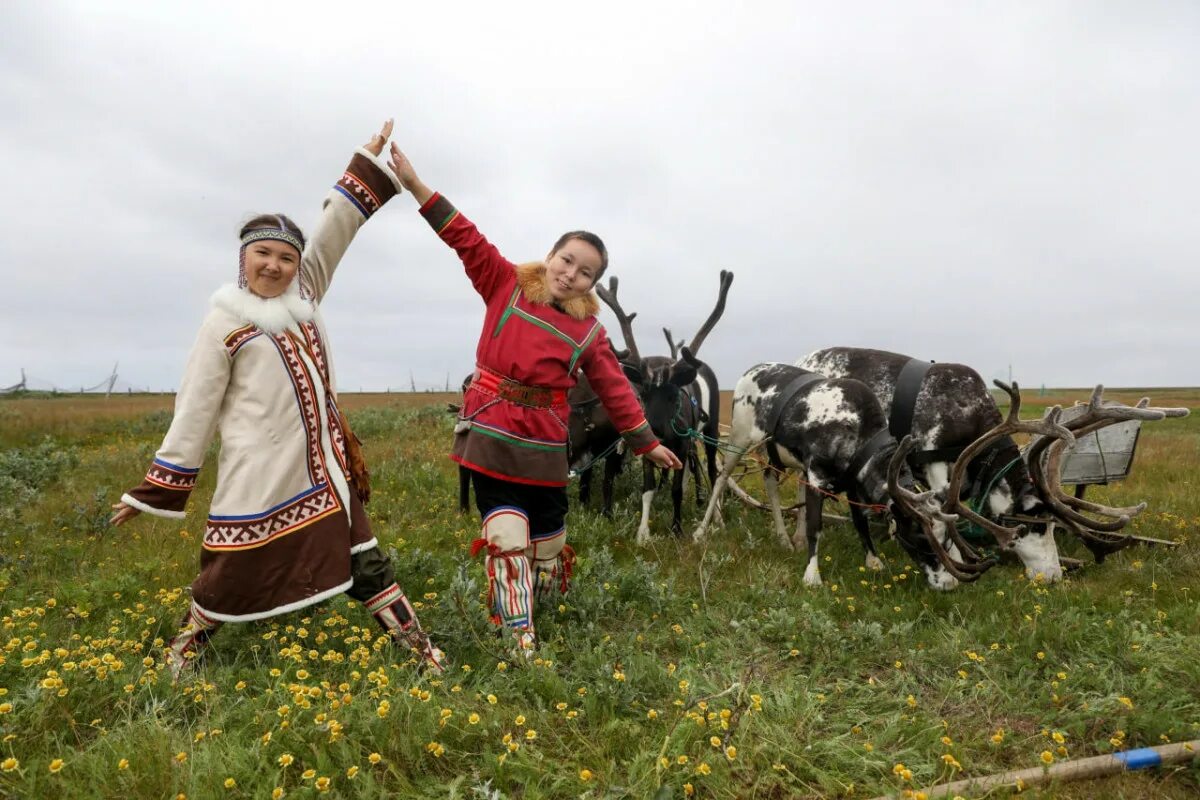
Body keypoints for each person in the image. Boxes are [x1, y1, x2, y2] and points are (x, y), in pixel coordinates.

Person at [110, 121, 445, 678]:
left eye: (285, 258)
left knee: (367, 561)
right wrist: (155, 488)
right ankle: (187, 647)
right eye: (262, 254)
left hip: (325, 473)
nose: (275, 266)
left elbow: (334, 230)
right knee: (232, 572)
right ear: (242, 260)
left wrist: (365, 157)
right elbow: (194, 409)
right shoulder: (223, 324)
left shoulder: (304, 294)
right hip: (259, 474)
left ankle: (422, 655)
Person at [385, 140, 683, 655]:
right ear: (550, 256)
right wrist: (415, 184)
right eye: (566, 260)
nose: (570, 274)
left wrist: (645, 442)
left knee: (548, 543)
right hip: (491, 432)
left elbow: (615, 386)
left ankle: (542, 603)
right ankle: (518, 635)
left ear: (592, 282)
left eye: (584, 271)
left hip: (546, 445)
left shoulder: (589, 331)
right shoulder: (504, 283)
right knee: (505, 534)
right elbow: (463, 236)